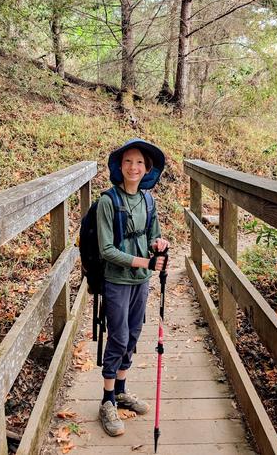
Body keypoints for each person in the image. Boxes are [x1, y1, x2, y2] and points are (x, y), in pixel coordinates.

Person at [97, 138, 170, 437]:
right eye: (128, 161)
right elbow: (106, 250)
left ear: (147, 168)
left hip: (141, 281)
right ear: (119, 166)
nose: (134, 167)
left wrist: (159, 244)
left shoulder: (148, 201)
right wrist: (145, 262)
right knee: (119, 337)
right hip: (116, 280)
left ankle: (122, 391)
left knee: (134, 335)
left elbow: (155, 234)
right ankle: (107, 400)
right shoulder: (107, 201)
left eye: (140, 162)